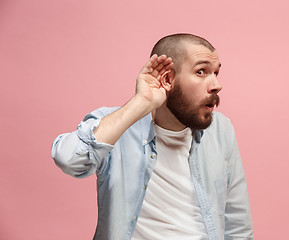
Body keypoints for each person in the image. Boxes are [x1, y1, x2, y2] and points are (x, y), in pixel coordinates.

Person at [51, 33, 253, 240]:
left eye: (216, 73)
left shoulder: (221, 129)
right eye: (201, 72)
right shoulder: (116, 124)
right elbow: (68, 160)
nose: (216, 85)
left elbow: (237, 224)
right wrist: (141, 103)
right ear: (167, 79)